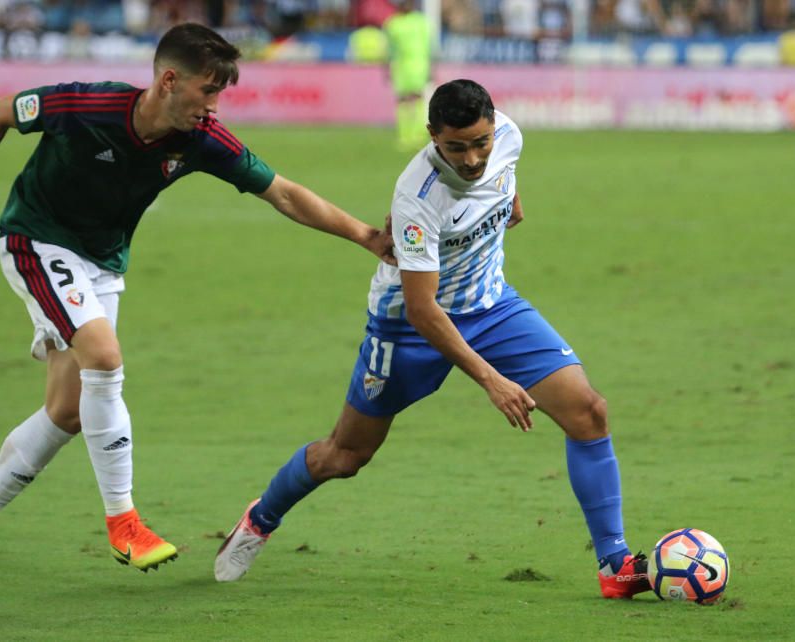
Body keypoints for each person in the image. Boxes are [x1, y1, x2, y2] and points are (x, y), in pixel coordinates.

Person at [0, 22, 395, 580]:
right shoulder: (86, 105)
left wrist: (364, 235)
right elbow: (1, 112)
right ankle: (123, 522)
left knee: (69, 412)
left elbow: (283, 192)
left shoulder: (201, 140)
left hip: (102, 262)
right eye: (208, 92)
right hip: (36, 239)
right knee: (105, 357)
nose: (214, 106)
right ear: (169, 80)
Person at [213, 79, 651, 599]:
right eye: (456, 147)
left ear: (494, 124)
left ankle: (615, 565)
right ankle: (261, 518)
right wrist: (492, 381)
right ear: (432, 137)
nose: (471, 159)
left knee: (589, 412)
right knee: (345, 456)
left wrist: (510, 202)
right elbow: (424, 310)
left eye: (480, 142)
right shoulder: (419, 198)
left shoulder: (508, 135)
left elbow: (502, 175)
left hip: (491, 306)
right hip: (408, 329)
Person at [382, 0, 431, 151]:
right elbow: (389, 49)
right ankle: (405, 134)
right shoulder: (392, 24)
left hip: (419, 64)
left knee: (417, 96)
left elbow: (430, 46)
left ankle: (418, 133)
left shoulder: (421, 21)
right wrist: (387, 67)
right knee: (403, 99)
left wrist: (432, 66)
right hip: (401, 65)